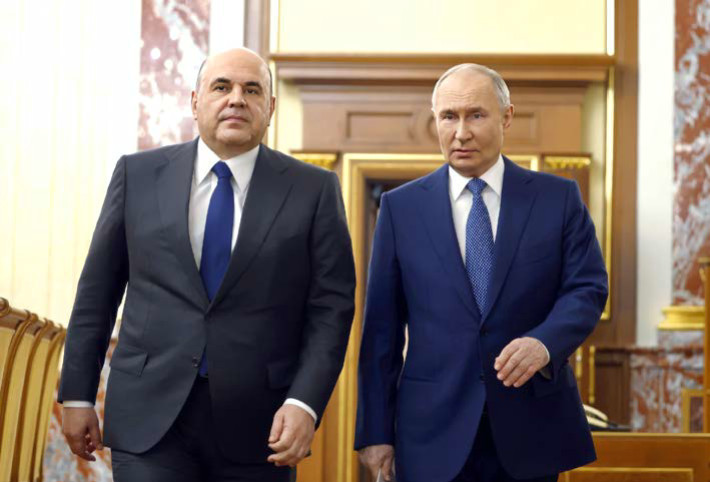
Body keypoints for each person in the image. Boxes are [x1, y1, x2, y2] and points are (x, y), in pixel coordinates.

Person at [59, 47, 356, 482]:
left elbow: (332, 309)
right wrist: (77, 394)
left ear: (270, 108)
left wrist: (304, 402)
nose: (236, 99)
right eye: (222, 87)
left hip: (261, 425)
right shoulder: (137, 175)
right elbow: (97, 294)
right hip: (148, 420)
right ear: (195, 101)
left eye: (252, 90)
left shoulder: (314, 189)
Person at [355, 64, 608, 482]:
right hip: (430, 433)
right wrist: (375, 432)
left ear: (506, 117)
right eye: (448, 117)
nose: (461, 133)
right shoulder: (400, 209)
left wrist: (545, 343)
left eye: (475, 115)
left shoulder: (558, 198)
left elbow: (587, 289)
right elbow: (381, 330)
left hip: (529, 428)